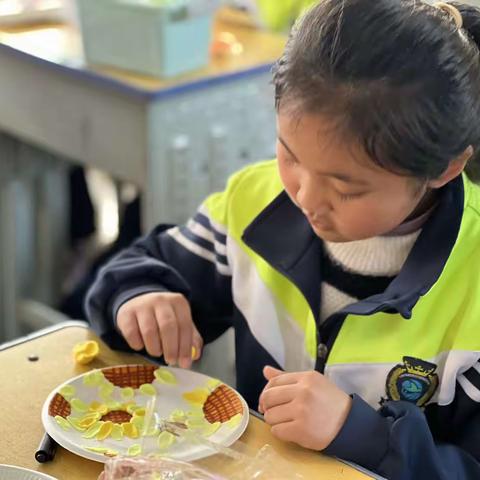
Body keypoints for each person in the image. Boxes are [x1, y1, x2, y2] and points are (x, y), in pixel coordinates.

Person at [85, 1, 480, 478]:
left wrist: (360, 434)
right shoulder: (256, 202)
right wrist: (139, 297)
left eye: (346, 188)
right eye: (289, 155)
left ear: (445, 168)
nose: (306, 198)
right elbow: (142, 268)